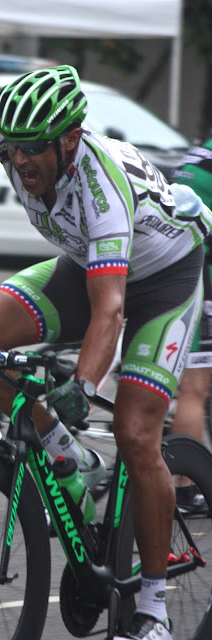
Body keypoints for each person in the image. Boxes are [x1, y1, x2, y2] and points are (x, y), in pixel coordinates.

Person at [0, 31, 212, 640]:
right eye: (13, 148)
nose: (21, 159)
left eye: (33, 149)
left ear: (70, 140)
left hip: (163, 279)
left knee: (136, 432)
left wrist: (83, 387)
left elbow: (110, 311)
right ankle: (64, 453)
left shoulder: (101, 189)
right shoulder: (17, 140)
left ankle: (154, 609)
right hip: (90, 266)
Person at [169, 130, 212, 514]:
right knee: (194, 388)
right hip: (200, 273)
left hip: (175, 263)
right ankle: (185, 489)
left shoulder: (204, 148)